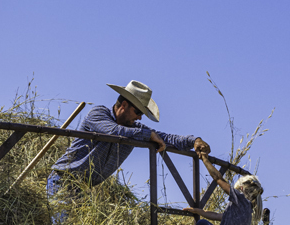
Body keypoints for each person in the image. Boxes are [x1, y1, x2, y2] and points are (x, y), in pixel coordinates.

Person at [47, 80, 210, 197]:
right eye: (138, 112)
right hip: (63, 180)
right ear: (124, 105)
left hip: (82, 189)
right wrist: (149, 135)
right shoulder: (98, 114)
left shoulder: (134, 129)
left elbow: (164, 137)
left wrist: (193, 141)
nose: (139, 118)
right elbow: (112, 131)